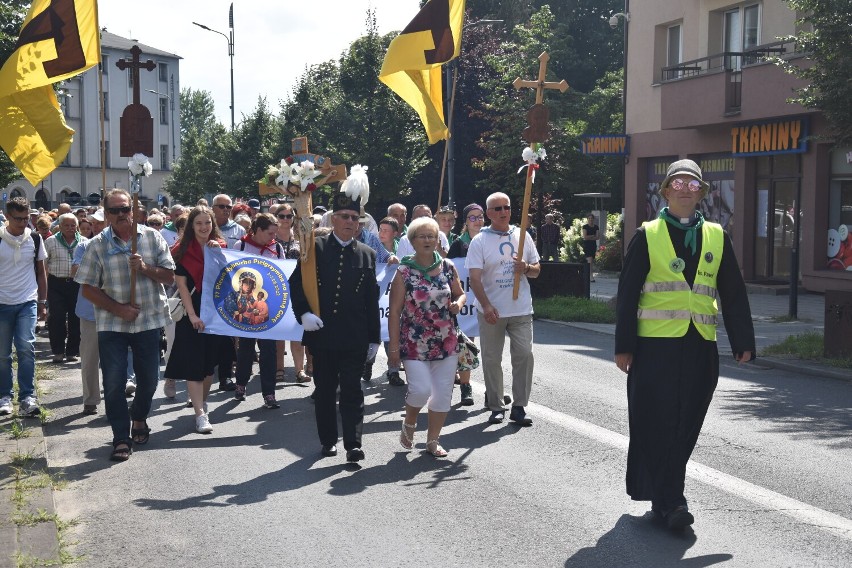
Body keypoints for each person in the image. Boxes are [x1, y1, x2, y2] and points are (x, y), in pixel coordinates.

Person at [615, 159, 755, 530]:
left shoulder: (716, 235)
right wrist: (623, 346)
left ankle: (668, 498)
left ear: (701, 193)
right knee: (655, 422)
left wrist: (743, 341)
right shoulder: (647, 235)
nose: (684, 189)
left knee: (687, 422)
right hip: (653, 348)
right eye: (677, 182)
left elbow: (733, 293)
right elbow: (627, 295)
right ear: (665, 190)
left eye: (692, 184)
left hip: (699, 346)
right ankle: (671, 501)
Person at [75, 189, 176, 461]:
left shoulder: (153, 238)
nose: (121, 215)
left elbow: (169, 277)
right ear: (106, 214)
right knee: (114, 381)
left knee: (149, 380)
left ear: (134, 210)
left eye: (125, 209)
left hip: (148, 321)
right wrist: (119, 309)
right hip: (112, 324)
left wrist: (144, 268)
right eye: (115, 210)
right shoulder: (96, 244)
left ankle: (139, 417)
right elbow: (88, 289)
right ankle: (121, 436)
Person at [290, 186, 380, 463]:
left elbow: (370, 300)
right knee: (326, 390)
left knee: (353, 389)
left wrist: (374, 339)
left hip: (354, 336)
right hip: (323, 335)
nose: (350, 222)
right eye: (344, 216)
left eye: (355, 217)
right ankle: (328, 440)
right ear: (333, 219)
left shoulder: (367, 253)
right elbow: (296, 284)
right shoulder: (313, 247)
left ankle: (353, 443)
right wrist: (303, 314)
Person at [388, 217, 466, 457]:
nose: (428, 240)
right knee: (421, 390)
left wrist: (457, 304)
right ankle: (409, 422)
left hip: (446, 341)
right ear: (412, 241)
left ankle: (433, 441)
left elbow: (461, 294)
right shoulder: (404, 271)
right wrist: (393, 349)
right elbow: (395, 311)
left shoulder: (448, 266)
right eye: (422, 236)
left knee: (443, 394)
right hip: (414, 342)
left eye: (432, 236)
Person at [467, 192, 541, 426]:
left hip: (520, 309)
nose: (502, 212)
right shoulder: (479, 240)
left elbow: (537, 269)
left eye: (506, 207)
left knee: (524, 355)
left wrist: (526, 267)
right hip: (491, 311)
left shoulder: (522, 236)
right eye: (497, 208)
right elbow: (475, 279)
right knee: (491, 359)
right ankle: (496, 405)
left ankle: (519, 406)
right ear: (488, 214)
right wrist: (487, 306)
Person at [164, 206, 227, 433]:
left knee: (209, 367)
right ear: (191, 225)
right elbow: (181, 287)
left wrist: (217, 253)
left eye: (207, 223)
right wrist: (192, 316)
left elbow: (230, 278)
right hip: (193, 312)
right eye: (199, 223)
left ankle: (202, 401)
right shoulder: (181, 250)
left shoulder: (221, 247)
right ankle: (200, 414)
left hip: (216, 313)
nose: (203, 228)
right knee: (194, 365)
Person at [0, 197, 48, 417]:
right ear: (7, 216)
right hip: (2, 301)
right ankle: (4, 396)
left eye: (26, 218)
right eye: (18, 219)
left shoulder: (35, 239)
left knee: (26, 348)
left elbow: (41, 272)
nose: (22, 223)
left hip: (27, 301)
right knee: (2, 354)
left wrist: (42, 302)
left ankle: (28, 397)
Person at [230, 213, 282, 409]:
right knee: (246, 348)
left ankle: (269, 393)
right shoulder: (240, 246)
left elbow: (282, 275)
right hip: (245, 307)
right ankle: (241, 384)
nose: (273, 237)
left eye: (275, 234)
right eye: (270, 233)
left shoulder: (276, 248)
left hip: (267, 308)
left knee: (269, 351)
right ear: (258, 230)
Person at [447, 203, 486, 406]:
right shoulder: (458, 245)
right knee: (465, 344)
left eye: (480, 216)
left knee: (490, 347)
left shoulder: (489, 240)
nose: (477, 221)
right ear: (466, 221)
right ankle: (465, 386)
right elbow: (451, 273)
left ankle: (492, 390)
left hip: (486, 301)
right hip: (466, 305)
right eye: (472, 217)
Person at [72, 208, 107, 415]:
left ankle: (115, 398)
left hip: (116, 310)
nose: (97, 226)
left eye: (101, 223)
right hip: (90, 310)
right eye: (95, 223)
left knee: (116, 359)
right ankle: (91, 398)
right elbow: (75, 272)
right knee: (90, 357)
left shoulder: (122, 246)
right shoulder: (83, 246)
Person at [273, 203, 309, 384]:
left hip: (296, 288)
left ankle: (299, 370)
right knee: (279, 331)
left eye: (289, 216)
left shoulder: (300, 238)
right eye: (282, 216)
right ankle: (279, 367)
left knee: (297, 330)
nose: (286, 219)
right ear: (276, 217)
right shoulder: (271, 239)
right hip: (276, 288)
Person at [44, 212, 85, 363]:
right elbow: (44, 264)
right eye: (66, 225)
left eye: (73, 225)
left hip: (77, 284)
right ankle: (58, 351)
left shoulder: (84, 242)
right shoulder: (50, 241)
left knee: (76, 318)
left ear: (77, 226)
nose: (70, 228)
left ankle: (72, 352)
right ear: (60, 227)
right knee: (57, 318)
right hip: (56, 283)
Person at [581, 213, 600, 280]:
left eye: (591, 218)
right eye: (589, 218)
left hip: (593, 245)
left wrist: (590, 237)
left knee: (591, 260)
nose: (590, 220)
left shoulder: (596, 227)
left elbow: (597, 237)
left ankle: (586, 273)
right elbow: (585, 237)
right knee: (590, 260)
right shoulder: (585, 227)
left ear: (593, 219)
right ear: (587, 219)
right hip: (587, 245)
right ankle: (590, 275)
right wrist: (592, 236)